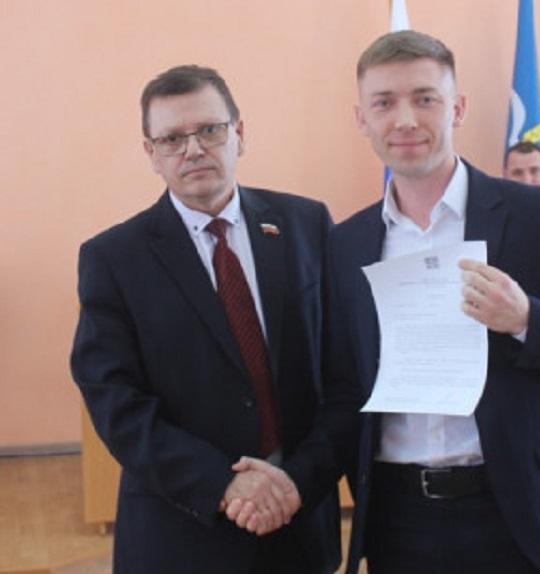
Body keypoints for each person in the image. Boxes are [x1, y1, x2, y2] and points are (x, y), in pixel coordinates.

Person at [328, 30, 540, 574]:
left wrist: (526, 319)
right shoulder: (345, 244)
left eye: (425, 98)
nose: (405, 119)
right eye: (384, 103)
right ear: (362, 119)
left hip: (517, 508)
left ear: (458, 108)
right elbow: (341, 384)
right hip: (398, 517)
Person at [69, 65, 342, 573]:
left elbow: (345, 371)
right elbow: (114, 401)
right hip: (182, 532)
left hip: (299, 521)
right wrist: (222, 483)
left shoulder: (307, 225)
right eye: (172, 139)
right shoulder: (114, 258)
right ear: (151, 153)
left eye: (210, 130)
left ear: (240, 133)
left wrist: (299, 481)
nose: (193, 150)